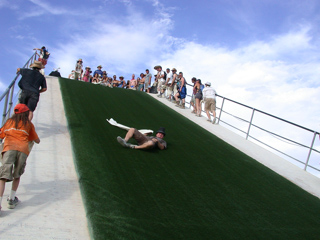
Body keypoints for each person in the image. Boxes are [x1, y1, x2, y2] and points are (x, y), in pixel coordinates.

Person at [0, 104, 40, 214]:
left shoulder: (9, 122)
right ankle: (11, 200)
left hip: (9, 148)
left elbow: (1, 134)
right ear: (26, 113)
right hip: (22, 150)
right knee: (17, 175)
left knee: (3, 176)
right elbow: (36, 140)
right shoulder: (29, 124)